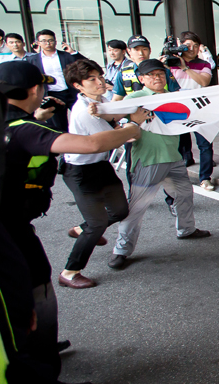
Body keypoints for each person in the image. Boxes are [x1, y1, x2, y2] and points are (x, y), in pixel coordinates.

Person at [0, 61, 146, 384]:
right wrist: (132, 127)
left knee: (20, 295)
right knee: (35, 292)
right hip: (10, 231)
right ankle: (43, 378)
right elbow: (90, 144)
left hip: (2, 224)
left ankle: (37, 347)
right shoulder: (23, 128)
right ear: (35, 90)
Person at [109, 59, 211, 269]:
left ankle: (186, 229)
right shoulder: (135, 98)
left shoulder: (173, 96)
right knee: (137, 206)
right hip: (148, 159)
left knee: (184, 194)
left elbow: (198, 108)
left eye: (160, 74)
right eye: (151, 75)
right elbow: (112, 116)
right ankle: (121, 250)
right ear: (141, 78)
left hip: (173, 157)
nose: (157, 78)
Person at [59, 59, 150, 289]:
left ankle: (81, 229)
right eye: (91, 79)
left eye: (100, 76)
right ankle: (70, 272)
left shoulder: (100, 101)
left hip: (101, 165)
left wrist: (121, 120)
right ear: (78, 86)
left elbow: (114, 118)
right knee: (97, 223)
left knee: (120, 210)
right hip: (80, 171)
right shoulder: (84, 111)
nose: (100, 82)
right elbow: (115, 139)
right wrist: (133, 123)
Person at [168, 31, 215, 189]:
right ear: (180, 45)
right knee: (179, 144)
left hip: (199, 109)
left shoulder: (204, 64)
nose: (192, 49)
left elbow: (204, 81)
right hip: (178, 110)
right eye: (188, 45)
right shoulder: (170, 64)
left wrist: (185, 68)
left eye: (195, 46)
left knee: (205, 144)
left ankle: (205, 178)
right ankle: (180, 175)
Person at [24, 29, 82, 132]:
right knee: (58, 126)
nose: (48, 43)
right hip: (51, 94)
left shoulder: (66, 55)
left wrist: (73, 53)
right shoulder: (32, 59)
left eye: (50, 40)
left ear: (55, 41)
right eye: (44, 41)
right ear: (38, 43)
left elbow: (85, 65)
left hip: (71, 92)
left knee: (82, 119)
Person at [111, 35, 180, 101]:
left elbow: (176, 95)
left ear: (150, 50)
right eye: (136, 50)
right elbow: (116, 99)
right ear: (129, 51)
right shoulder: (123, 73)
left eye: (144, 49)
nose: (141, 53)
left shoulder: (163, 70)